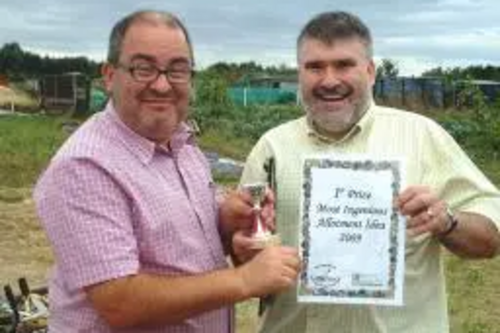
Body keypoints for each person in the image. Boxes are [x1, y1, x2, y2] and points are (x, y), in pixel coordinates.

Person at [34, 10, 301, 333]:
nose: (161, 85)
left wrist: (227, 218)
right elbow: (120, 302)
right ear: (109, 76)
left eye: (177, 70)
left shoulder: (182, 144)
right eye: (143, 68)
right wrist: (244, 280)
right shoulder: (84, 166)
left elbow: (177, 235)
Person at [235, 11, 500, 333]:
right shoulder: (271, 148)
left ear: (371, 71)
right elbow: (244, 257)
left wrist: (447, 222)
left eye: (344, 64)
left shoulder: (422, 136)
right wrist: (243, 248)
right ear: (299, 73)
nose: (329, 80)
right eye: (315, 67)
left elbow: (490, 239)